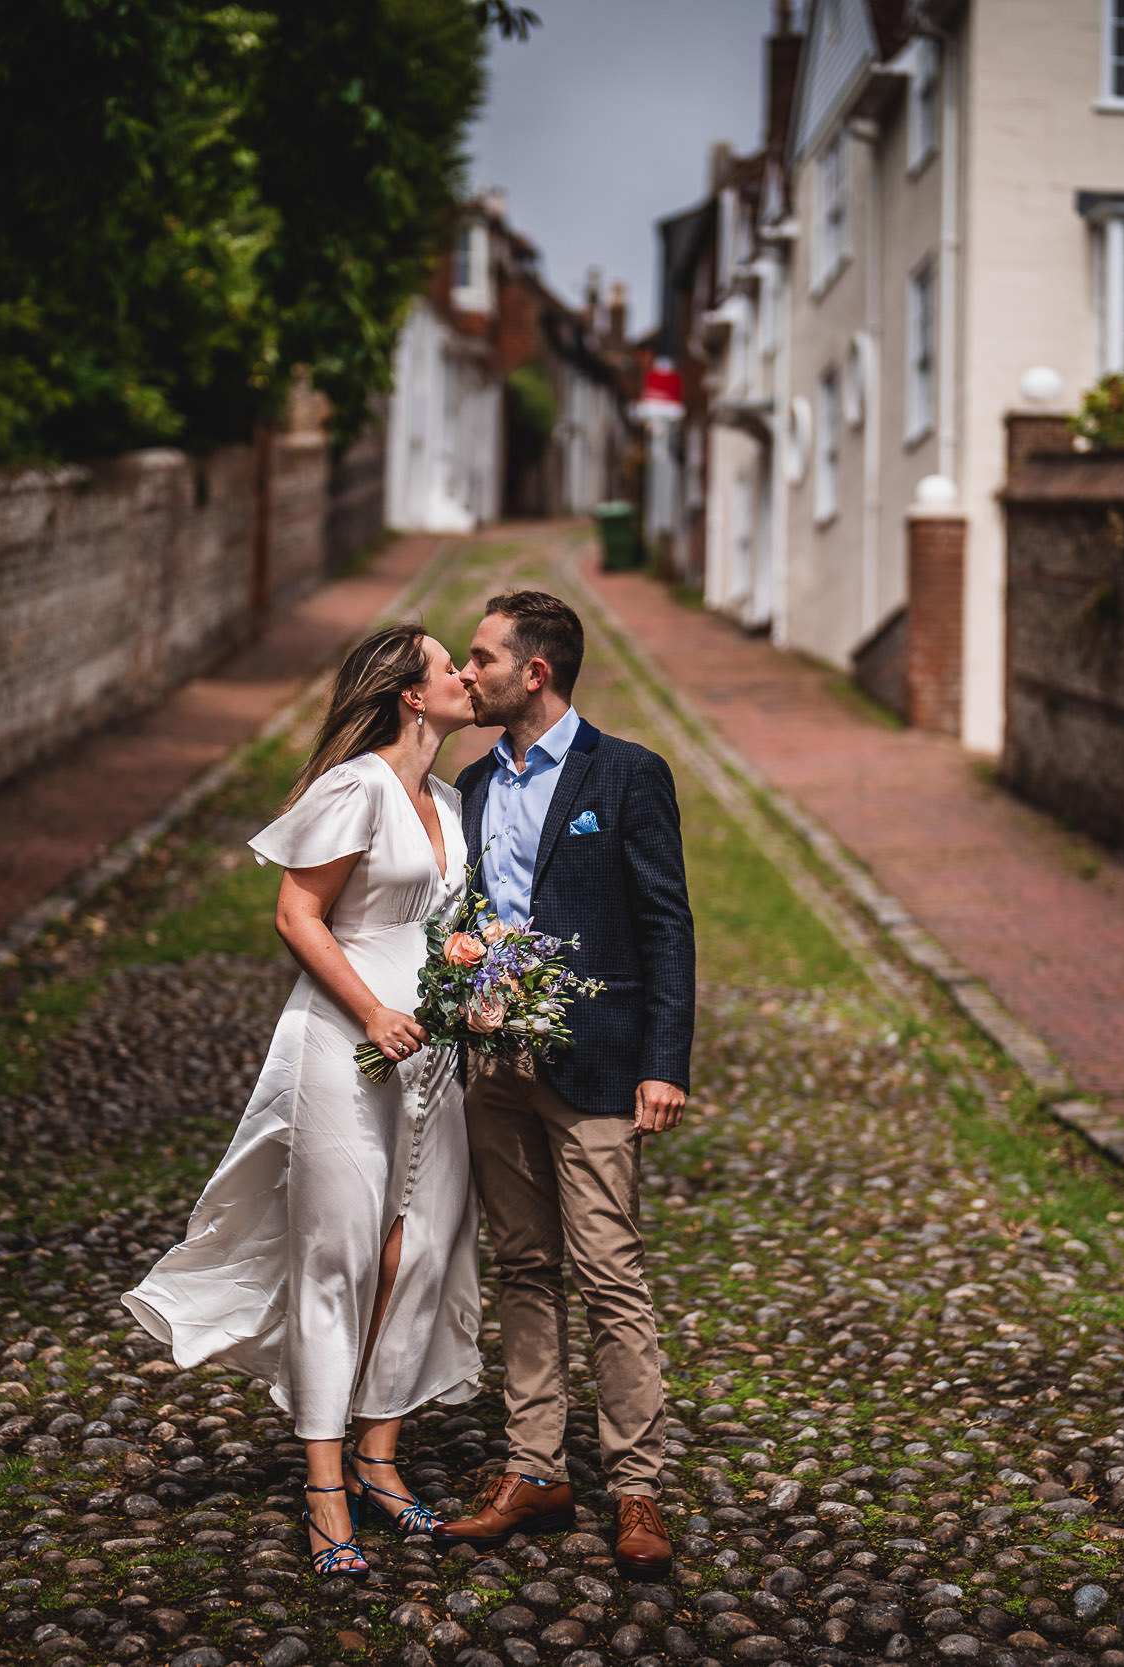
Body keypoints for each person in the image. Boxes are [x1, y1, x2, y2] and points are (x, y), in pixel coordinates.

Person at [123, 622, 483, 1578]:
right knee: (342, 1256)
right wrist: (369, 1010)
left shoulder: (447, 798)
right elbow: (297, 912)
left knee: (422, 1254)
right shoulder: (355, 785)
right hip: (346, 1047)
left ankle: (379, 1456)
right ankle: (325, 1489)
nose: (466, 678)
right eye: (451, 667)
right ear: (412, 694)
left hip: (436, 1059)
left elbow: (442, 926)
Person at [437, 590, 694, 1581]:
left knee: (610, 1273)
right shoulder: (469, 784)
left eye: (481, 657)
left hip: (595, 1065)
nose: (469, 673)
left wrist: (663, 1062)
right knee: (524, 1265)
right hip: (494, 1067)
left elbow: (666, 923)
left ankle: (636, 1486)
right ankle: (535, 1468)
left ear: (533, 670)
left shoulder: (626, 775)